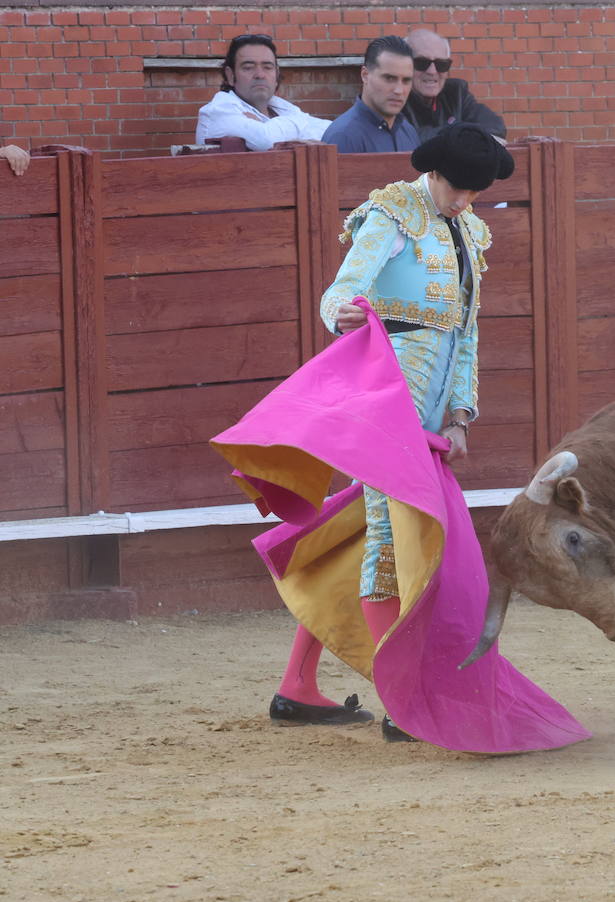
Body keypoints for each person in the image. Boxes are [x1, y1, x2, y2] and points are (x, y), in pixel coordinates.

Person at [272, 123, 500, 740]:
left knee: (368, 531)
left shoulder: (470, 231)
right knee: (389, 538)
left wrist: (459, 417)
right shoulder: (393, 212)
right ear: (434, 173)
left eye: (474, 192)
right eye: (458, 188)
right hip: (385, 401)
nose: (464, 201)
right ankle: (401, 699)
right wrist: (337, 314)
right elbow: (342, 291)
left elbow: (466, 334)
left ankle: (297, 684)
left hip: (429, 411)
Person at [195, 34, 330, 151]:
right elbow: (266, 140)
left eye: (267, 67)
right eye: (248, 67)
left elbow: (330, 132)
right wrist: (301, 125)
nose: (260, 75)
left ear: (276, 75)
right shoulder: (218, 110)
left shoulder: (281, 108)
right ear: (230, 76)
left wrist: (271, 126)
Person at [402, 29, 506, 144]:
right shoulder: (395, 97)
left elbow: (496, 127)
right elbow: (405, 138)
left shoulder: (456, 93)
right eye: (421, 63)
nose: (432, 71)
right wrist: (461, 134)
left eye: (441, 64)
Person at [322, 35, 420, 154]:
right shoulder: (344, 136)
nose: (399, 90)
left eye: (406, 80)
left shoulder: (408, 131)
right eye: (389, 78)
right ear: (365, 75)